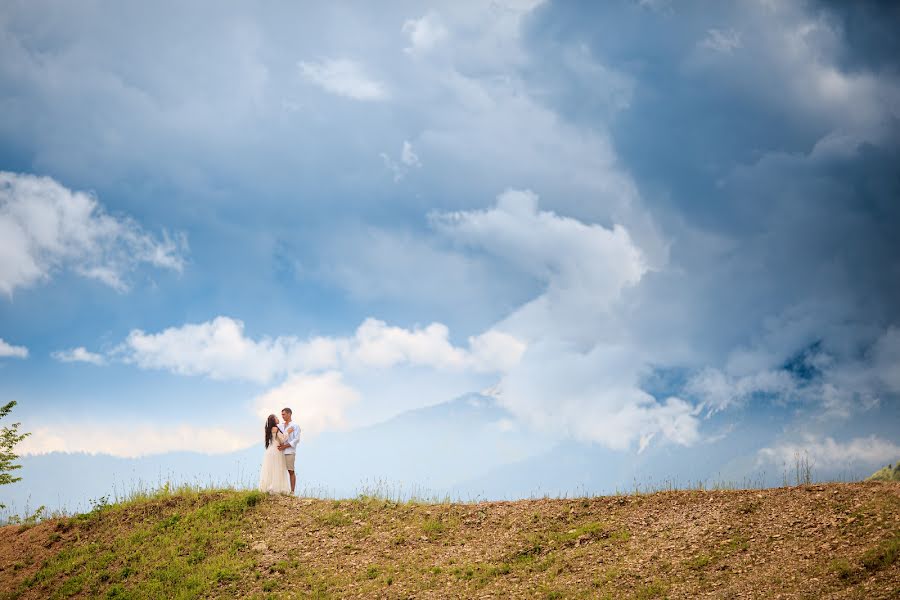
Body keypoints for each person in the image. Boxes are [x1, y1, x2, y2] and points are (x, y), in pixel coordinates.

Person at [258, 414, 290, 494]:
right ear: (273, 420)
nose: (278, 418)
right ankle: (276, 488)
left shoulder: (269, 429)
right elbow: (282, 439)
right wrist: (288, 432)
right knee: (277, 468)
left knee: (270, 469)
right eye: (276, 418)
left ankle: (269, 487)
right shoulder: (275, 428)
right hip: (276, 450)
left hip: (269, 451)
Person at [277, 407, 300, 494]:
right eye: (281, 414)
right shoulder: (280, 426)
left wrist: (285, 446)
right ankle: (280, 489)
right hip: (279, 452)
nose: (282, 416)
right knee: (279, 470)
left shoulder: (295, 426)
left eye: (284, 414)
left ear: (289, 414)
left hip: (290, 451)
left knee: (290, 470)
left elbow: (296, 439)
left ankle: (292, 491)